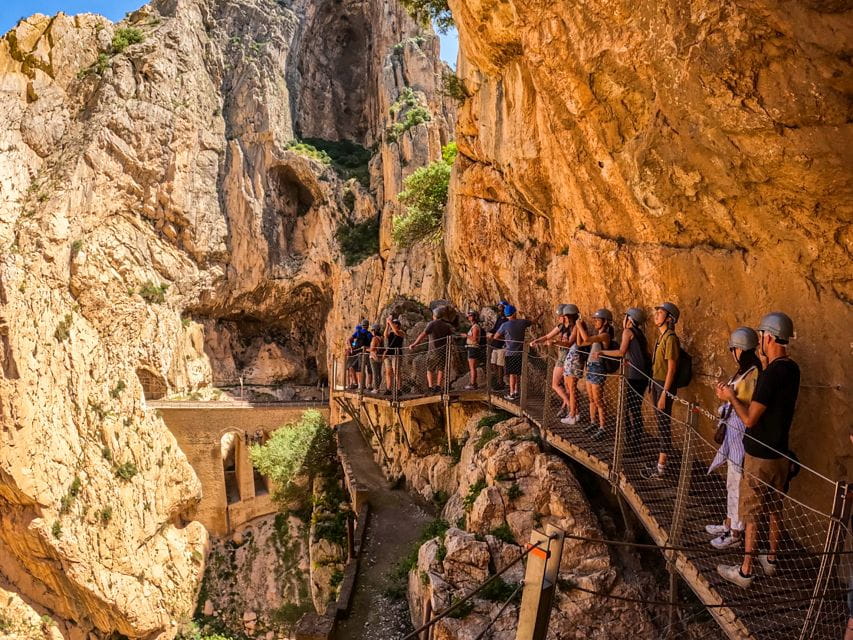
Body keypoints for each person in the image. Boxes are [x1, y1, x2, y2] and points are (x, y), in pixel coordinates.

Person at [716, 312, 800, 589]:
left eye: (762, 337)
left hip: (760, 455)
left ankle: (745, 570)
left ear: (768, 337)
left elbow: (750, 418)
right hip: (781, 454)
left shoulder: (769, 376)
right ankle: (772, 559)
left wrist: (730, 398)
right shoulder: (792, 369)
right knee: (776, 508)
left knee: (751, 513)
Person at [704, 327, 762, 550]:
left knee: (738, 483)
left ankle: (735, 531)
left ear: (740, 349)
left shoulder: (753, 373)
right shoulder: (744, 372)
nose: (732, 353)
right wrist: (725, 394)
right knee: (731, 482)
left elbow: (745, 404)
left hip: (741, 435)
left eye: (733, 349)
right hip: (733, 433)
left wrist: (728, 395)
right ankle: (728, 523)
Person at [640, 302, 681, 480]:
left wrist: (664, 393)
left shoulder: (671, 338)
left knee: (663, 425)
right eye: (657, 311)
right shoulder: (661, 337)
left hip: (664, 385)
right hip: (657, 383)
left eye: (661, 312)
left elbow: (672, 369)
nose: (656, 314)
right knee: (660, 423)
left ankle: (661, 468)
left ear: (670, 318)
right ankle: (660, 461)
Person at [599, 308, 650, 445]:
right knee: (635, 409)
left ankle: (628, 440)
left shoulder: (628, 332)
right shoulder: (641, 334)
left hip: (633, 376)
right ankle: (634, 440)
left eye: (625, 317)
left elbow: (621, 352)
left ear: (630, 319)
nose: (623, 320)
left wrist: (602, 352)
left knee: (626, 407)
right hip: (642, 376)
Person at [576, 308, 615, 440]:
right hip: (591, 367)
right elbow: (580, 342)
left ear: (605, 322)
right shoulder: (597, 335)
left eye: (597, 320)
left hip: (598, 369)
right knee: (591, 399)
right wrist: (578, 329)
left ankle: (602, 427)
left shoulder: (605, 336)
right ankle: (593, 422)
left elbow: (586, 337)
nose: (595, 322)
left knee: (598, 400)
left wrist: (578, 326)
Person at [530, 305, 575, 418]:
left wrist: (555, 342)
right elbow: (547, 336)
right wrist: (537, 341)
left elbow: (569, 343)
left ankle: (571, 408)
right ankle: (566, 408)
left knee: (555, 384)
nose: (558, 318)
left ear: (565, 316)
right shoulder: (561, 326)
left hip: (566, 358)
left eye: (560, 316)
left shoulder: (573, 327)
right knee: (566, 386)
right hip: (563, 356)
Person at [493, 304, 535, 401]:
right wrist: (540, 315)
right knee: (518, 373)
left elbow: (496, 336)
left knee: (512, 374)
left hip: (510, 352)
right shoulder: (522, 322)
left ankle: (512, 393)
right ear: (515, 313)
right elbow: (532, 322)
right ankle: (516, 391)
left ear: (507, 315)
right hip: (521, 352)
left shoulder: (504, 325)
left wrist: (506, 339)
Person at [409, 307, 454, 394]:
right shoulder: (446, 326)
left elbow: (423, 334)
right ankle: (438, 386)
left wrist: (415, 344)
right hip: (443, 351)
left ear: (434, 315)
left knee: (430, 369)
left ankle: (430, 387)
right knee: (441, 369)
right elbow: (450, 337)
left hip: (433, 351)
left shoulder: (432, 324)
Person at [560, 305, 587, 425]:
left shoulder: (577, 325)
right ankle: (574, 413)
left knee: (571, 388)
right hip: (572, 357)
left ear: (570, 316)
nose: (564, 318)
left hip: (575, 358)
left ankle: (573, 415)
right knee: (569, 387)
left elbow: (570, 342)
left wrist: (555, 342)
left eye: (565, 316)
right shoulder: (575, 325)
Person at [487, 301, 510, 390]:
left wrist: (495, 335)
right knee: (493, 363)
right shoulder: (499, 318)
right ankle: (498, 381)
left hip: (501, 344)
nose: (499, 309)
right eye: (499, 307)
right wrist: (489, 332)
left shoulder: (506, 320)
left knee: (500, 364)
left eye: (501, 307)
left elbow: (505, 332)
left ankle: (501, 383)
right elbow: (495, 328)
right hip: (495, 343)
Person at [346, 320, 373, 389]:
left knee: (356, 368)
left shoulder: (358, 333)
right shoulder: (369, 334)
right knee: (366, 369)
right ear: (368, 326)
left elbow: (349, 340)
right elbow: (372, 344)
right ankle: (366, 385)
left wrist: (351, 348)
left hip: (357, 352)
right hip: (365, 352)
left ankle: (358, 384)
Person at [462, 310, 485, 390]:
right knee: (472, 367)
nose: (468, 318)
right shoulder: (474, 326)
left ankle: (473, 384)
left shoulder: (475, 327)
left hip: (473, 348)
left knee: (472, 367)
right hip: (472, 348)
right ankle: (473, 383)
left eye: (470, 316)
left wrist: (466, 336)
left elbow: (475, 339)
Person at [383, 316, 405, 395]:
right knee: (388, 372)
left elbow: (396, 332)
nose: (394, 324)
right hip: (389, 354)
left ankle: (399, 389)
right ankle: (388, 389)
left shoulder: (401, 332)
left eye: (395, 323)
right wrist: (387, 325)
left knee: (396, 372)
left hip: (396, 354)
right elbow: (385, 335)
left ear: (398, 325)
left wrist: (390, 321)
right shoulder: (391, 332)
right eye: (394, 323)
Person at [367, 323, 384, 393]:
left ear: (374, 330)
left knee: (375, 373)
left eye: (372, 330)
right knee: (379, 373)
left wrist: (365, 349)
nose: (372, 332)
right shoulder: (382, 338)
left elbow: (372, 349)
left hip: (373, 357)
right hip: (380, 357)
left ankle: (376, 389)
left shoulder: (374, 338)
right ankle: (378, 388)